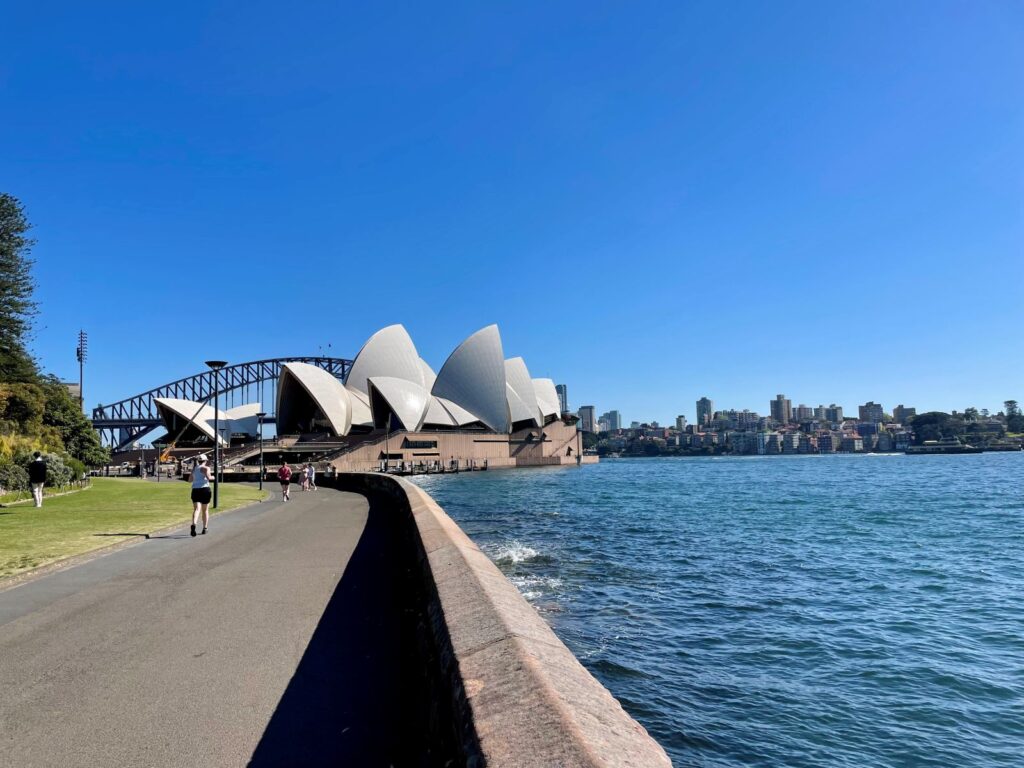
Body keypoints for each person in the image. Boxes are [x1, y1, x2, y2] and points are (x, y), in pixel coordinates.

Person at [190, 454, 213, 537]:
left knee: (196, 509)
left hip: (195, 489)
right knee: (205, 510)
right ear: (205, 461)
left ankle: (194, 524)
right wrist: (214, 477)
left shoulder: (194, 469)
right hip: (205, 489)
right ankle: (205, 528)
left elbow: (189, 480)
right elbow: (209, 477)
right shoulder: (206, 468)